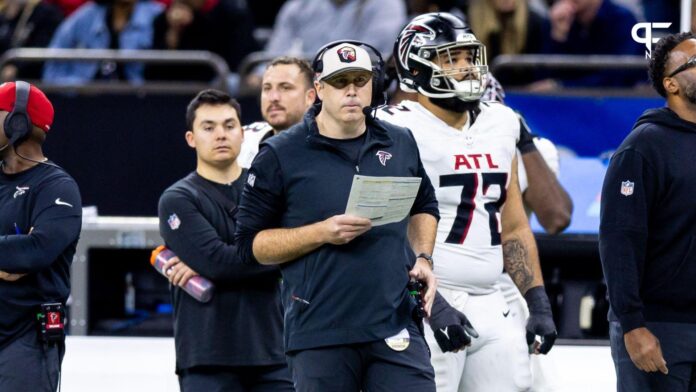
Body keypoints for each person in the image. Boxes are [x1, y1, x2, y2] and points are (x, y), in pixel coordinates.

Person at [236, 41, 439, 392]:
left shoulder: (400, 141)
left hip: (393, 324)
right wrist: (321, 232)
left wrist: (423, 257)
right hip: (319, 330)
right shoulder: (280, 154)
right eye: (340, 81)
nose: (351, 91)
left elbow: (425, 204)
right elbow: (250, 246)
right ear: (318, 89)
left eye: (360, 80)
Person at [377, 13, 557, 391]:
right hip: (421, 299)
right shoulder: (393, 127)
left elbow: (513, 225)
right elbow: (382, 233)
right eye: (449, 59)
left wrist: (537, 300)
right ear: (415, 65)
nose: (464, 68)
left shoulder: (502, 121)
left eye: (466, 57)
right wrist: (431, 303)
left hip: (493, 298)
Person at [157, 89, 292, 391]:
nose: (221, 134)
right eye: (208, 127)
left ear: (243, 134)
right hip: (208, 359)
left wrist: (288, 250)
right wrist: (283, 252)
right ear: (191, 138)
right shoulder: (177, 199)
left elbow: (294, 250)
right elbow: (221, 264)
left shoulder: (269, 189)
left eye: (229, 126)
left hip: (276, 353)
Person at [600, 31, 696, 392]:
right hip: (660, 328)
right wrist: (633, 326)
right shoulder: (643, 147)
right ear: (671, 83)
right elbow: (619, 242)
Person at [0, 81, 82, 391]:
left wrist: (21, 253)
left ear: (17, 121)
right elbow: (18, 252)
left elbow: (36, 250)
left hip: (25, 340)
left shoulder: (57, 186)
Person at [42, 0, 163, 84]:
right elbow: (53, 67)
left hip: (140, 102)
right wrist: (76, 87)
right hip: (87, 100)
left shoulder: (158, 15)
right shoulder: (87, 15)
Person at [238, 56, 316, 168]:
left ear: (310, 97)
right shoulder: (242, 140)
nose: (273, 97)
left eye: (285, 87)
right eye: (267, 88)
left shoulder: (331, 148)